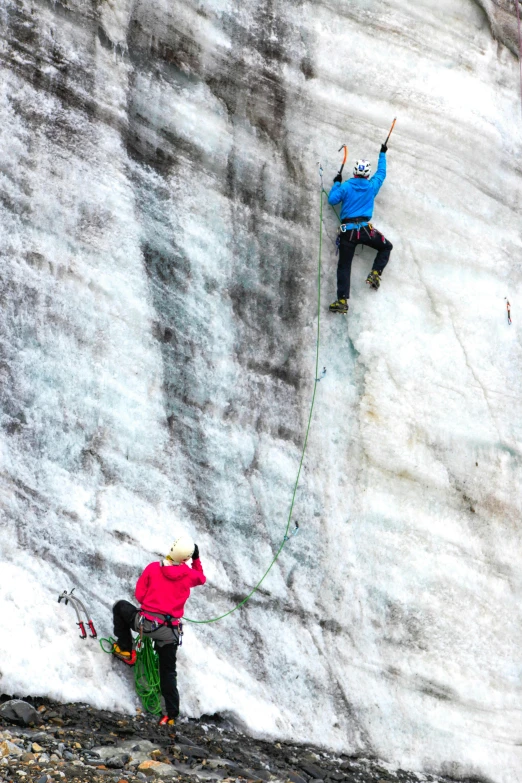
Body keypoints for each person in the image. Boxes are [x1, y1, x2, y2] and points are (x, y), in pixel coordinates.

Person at [111, 534, 206, 726]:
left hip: (146, 624)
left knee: (120, 607)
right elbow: (202, 578)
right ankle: (170, 715)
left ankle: (126, 650)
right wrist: (196, 558)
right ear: (186, 558)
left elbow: (139, 596)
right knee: (168, 672)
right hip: (169, 632)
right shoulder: (189, 575)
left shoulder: (153, 568)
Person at [327, 143, 393, 314]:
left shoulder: (347, 186)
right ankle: (375, 274)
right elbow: (382, 173)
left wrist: (336, 183)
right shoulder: (371, 186)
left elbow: (333, 200)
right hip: (365, 231)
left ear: (355, 171)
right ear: (367, 173)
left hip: (347, 233)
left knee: (344, 266)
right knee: (386, 246)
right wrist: (382, 153)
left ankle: (342, 300)